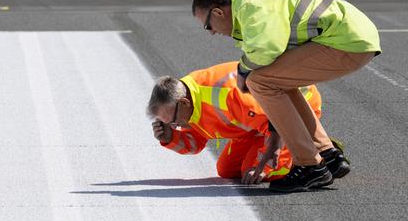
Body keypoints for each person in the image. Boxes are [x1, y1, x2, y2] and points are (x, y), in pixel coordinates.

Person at [191, 0, 380, 192]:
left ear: (218, 12)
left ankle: (309, 165)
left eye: (208, 26)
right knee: (274, 80)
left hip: (345, 42)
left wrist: (243, 70)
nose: (211, 33)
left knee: (260, 82)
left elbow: (268, 49)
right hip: (350, 38)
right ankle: (327, 153)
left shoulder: (251, 5)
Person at [147, 61, 343, 184]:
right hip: (256, 124)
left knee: (258, 172)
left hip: (294, 106)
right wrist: (170, 137)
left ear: (183, 103)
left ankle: (313, 149)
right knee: (227, 171)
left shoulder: (225, 95)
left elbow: (277, 121)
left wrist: (264, 166)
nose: (176, 126)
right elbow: (196, 143)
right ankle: (307, 144)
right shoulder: (189, 104)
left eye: (173, 122)